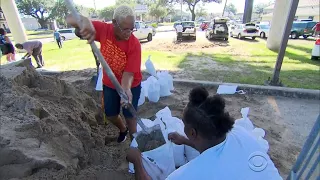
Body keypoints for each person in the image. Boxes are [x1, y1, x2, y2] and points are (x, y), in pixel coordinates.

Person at [127, 87, 282, 180]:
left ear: (192, 132)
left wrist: (138, 163)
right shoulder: (240, 133)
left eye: (183, 123)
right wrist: (185, 141)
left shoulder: (186, 175)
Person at [67, 5, 142, 143]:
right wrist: (84, 25)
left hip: (131, 85)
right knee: (111, 114)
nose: (129, 33)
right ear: (114, 23)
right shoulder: (104, 30)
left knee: (130, 117)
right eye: (125, 29)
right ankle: (122, 129)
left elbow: (129, 73)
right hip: (110, 83)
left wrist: (126, 89)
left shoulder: (134, 44)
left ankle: (135, 144)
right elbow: (70, 18)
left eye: (132, 28)